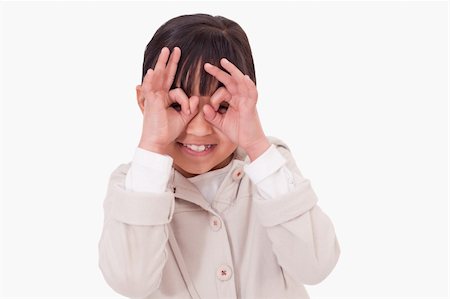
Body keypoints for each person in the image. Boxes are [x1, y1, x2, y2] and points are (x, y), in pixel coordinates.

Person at [99, 13, 340, 299]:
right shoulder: (136, 185)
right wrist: (152, 143)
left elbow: (316, 266)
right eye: (177, 105)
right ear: (144, 102)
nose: (200, 129)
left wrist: (256, 144)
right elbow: (131, 282)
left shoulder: (270, 167)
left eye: (222, 106)